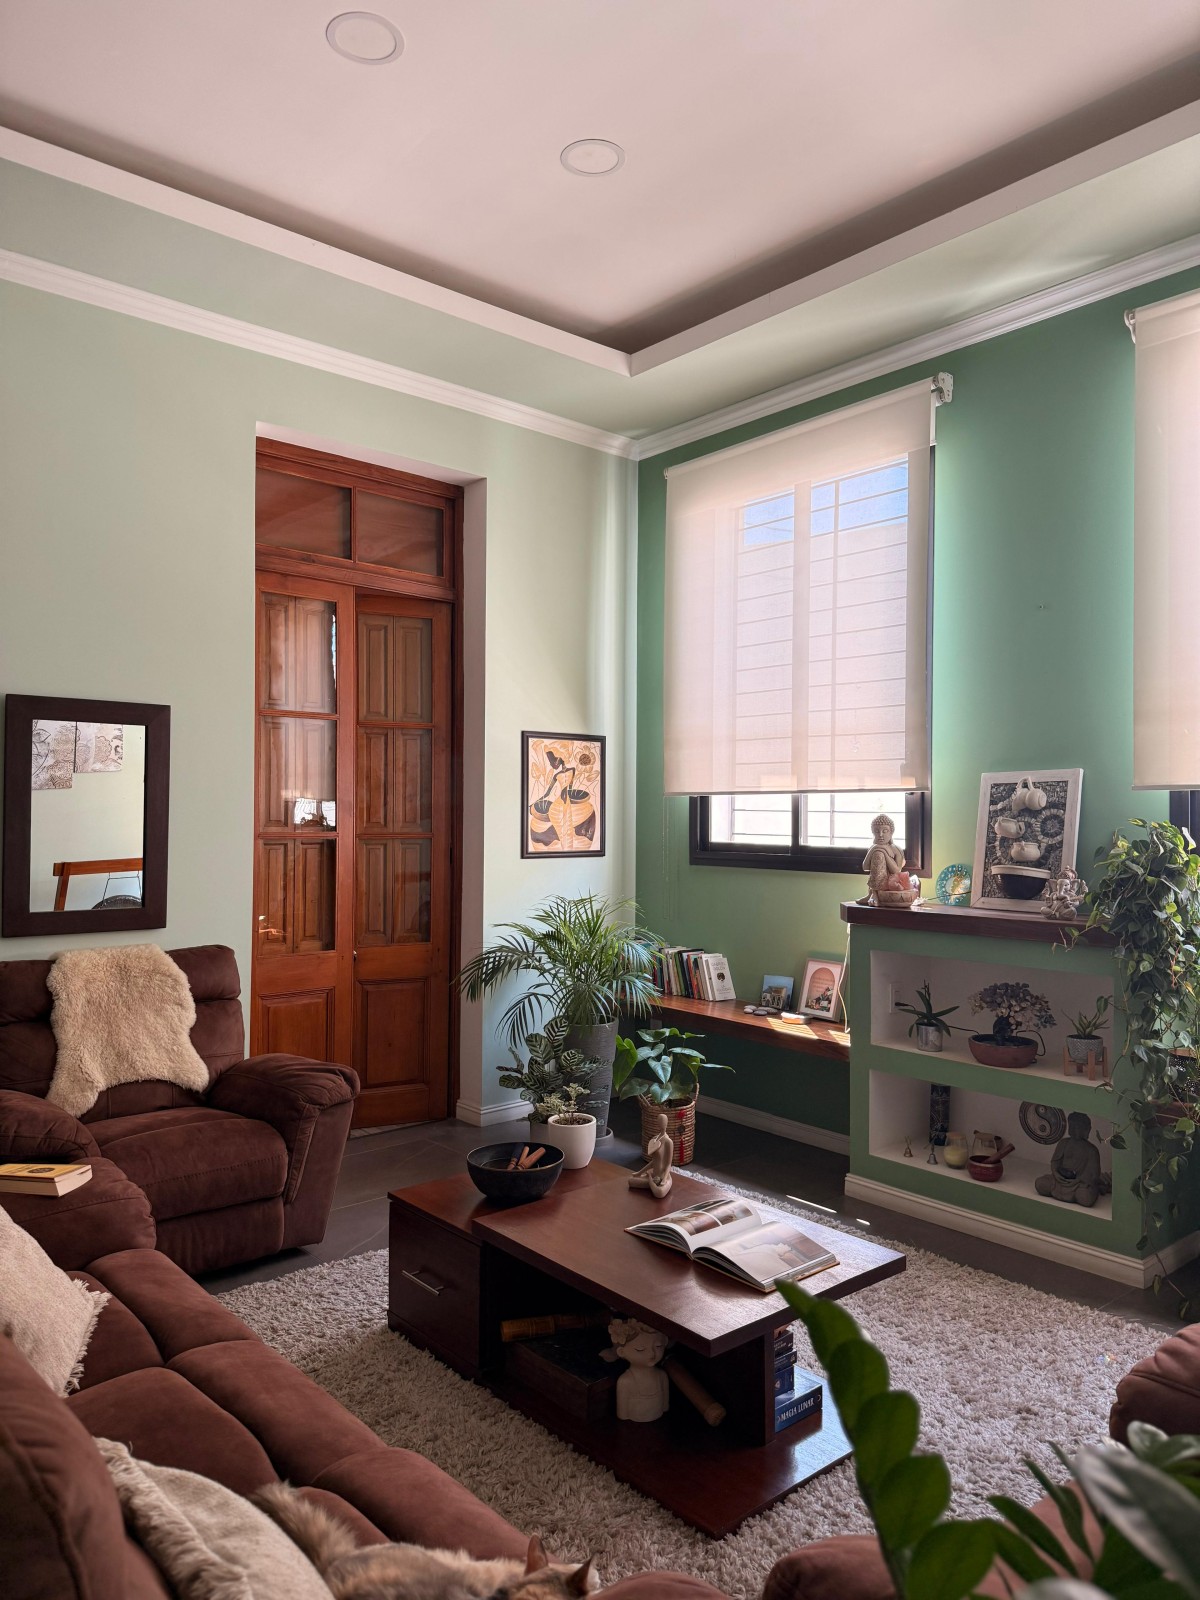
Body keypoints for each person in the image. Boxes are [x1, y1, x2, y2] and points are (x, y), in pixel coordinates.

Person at [863, 814, 909, 900]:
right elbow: (865, 867)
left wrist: (884, 852)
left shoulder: (896, 849)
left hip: (892, 885)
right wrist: (875, 848)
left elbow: (896, 871)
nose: (880, 834)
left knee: (879, 854)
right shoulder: (873, 848)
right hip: (874, 886)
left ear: (891, 832)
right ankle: (874, 893)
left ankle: (876, 894)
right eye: (877, 831)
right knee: (877, 853)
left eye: (885, 831)